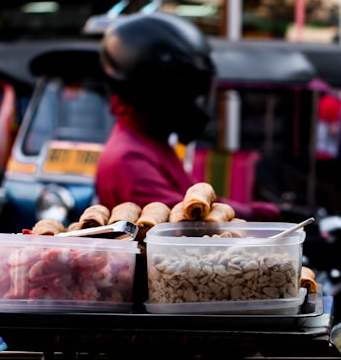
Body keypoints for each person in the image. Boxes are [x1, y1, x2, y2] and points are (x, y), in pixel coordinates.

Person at [96, 12, 278, 219]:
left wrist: (271, 213)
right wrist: (270, 217)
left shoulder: (152, 143)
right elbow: (187, 219)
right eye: (187, 94)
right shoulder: (127, 158)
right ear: (149, 91)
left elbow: (199, 202)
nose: (196, 106)